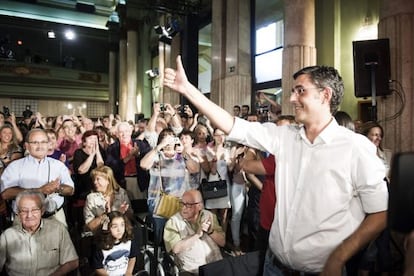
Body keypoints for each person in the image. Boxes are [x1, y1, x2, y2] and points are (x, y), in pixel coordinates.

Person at [163, 56, 388, 275]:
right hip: (274, 264)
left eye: (300, 90)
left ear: (325, 95)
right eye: (293, 91)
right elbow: (233, 125)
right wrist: (188, 89)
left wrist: (339, 257)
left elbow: (379, 213)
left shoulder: (355, 148)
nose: (291, 98)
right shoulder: (285, 137)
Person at [1, 128, 75, 226]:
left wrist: (58, 188)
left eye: (43, 142)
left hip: (55, 217)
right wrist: (40, 190)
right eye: (35, 142)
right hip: (24, 218)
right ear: (27, 145)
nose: (40, 146)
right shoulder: (15, 166)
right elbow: (6, 194)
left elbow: (70, 190)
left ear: (48, 144)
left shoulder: (58, 165)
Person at [0, 190, 79, 275]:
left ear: (42, 211)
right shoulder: (7, 236)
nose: (29, 215)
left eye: (34, 210)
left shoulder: (58, 230)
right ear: (18, 213)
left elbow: (72, 262)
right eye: (24, 211)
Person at [163, 189, 225, 274]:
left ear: (199, 206)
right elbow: (176, 249)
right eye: (182, 203)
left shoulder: (209, 216)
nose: (184, 208)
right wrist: (197, 235)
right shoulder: (173, 222)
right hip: (191, 271)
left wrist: (211, 231)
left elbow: (222, 242)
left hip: (216, 267)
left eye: (188, 205)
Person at [83, 165, 132, 233]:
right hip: (100, 234)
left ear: (108, 180)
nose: (94, 182)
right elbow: (90, 226)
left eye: (98, 179)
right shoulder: (91, 198)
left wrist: (121, 213)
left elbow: (130, 217)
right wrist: (105, 215)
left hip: (120, 232)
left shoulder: (121, 193)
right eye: (94, 179)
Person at [93, 211, 139, 276]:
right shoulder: (101, 246)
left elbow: (132, 257)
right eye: (115, 226)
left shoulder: (129, 242)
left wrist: (128, 272)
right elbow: (98, 268)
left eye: (122, 225)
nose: (119, 230)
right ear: (108, 228)